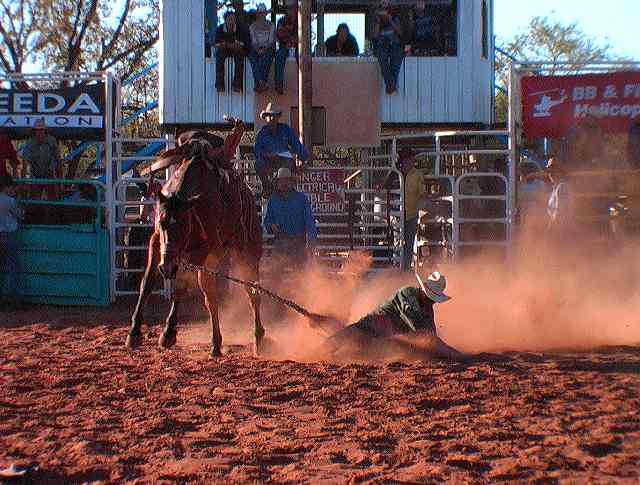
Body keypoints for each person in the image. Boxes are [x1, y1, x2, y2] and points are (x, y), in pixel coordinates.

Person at [324, 272, 464, 361]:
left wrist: (443, 349)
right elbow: (425, 335)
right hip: (368, 328)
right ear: (423, 290)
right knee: (330, 347)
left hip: (381, 340)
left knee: (349, 355)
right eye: (431, 297)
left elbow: (430, 336)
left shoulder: (426, 307)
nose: (432, 301)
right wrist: (452, 352)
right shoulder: (408, 293)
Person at [263, 167, 317, 267]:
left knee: (301, 275)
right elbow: (267, 221)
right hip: (280, 242)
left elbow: (310, 222)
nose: (284, 184)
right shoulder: (272, 200)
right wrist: (271, 226)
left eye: (287, 180)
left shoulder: (302, 199)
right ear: (277, 183)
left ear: (292, 182)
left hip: (298, 244)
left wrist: (311, 243)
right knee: (274, 274)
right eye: (281, 181)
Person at [254, 102, 309, 197]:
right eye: (269, 116)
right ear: (266, 118)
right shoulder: (262, 133)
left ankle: (285, 189)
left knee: (287, 165)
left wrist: (303, 160)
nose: (272, 118)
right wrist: (266, 154)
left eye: (274, 116)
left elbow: (297, 145)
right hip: (269, 161)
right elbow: (257, 151)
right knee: (258, 164)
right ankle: (267, 186)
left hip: (284, 161)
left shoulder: (286, 130)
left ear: (278, 117)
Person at [397, 148, 426, 270]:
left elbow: (422, 192)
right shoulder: (395, 173)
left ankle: (406, 268)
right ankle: (397, 265)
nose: (410, 161)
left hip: (411, 213)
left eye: (410, 159)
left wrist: (425, 194)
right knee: (397, 242)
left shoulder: (417, 174)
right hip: (397, 214)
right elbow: (384, 187)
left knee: (408, 243)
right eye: (407, 159)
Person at [22, 120, 61, 201]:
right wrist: (24, 182)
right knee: (35, 200)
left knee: (53, 200)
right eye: (37, 130)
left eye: (41, 130)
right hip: (35, 175)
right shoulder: (29, 143)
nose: (39, 132)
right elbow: (25, 164)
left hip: (49, 174)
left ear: (45, 131)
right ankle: (36, 211)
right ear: (34, 131)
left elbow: (58, 160)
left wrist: (60, 180)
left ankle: (52, 212)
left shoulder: (52, 141)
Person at [0, 175, 24, 306]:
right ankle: (13, 298)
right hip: (9, 235)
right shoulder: (10, 201)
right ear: (6, 187)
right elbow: (21, 215)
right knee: (13, 267)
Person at [372, 0, 405, 94]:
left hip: (395, 43)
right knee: (382, 59)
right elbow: (374, 36)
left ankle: (390, 86)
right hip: (382, 44)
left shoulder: (395, 14)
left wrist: (390, 20)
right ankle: (391, 86)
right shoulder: (376, 15)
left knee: (396, 59)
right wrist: (378, 21)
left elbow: (400, 32)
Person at [215, 11, 246, 92]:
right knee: (219, 55)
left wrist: (228, 44)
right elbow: (217, 44)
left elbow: (242, 44)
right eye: (230, 19)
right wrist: (227, 45)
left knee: (240, 54)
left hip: (235, 50)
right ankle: (219, 84)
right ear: (225, 20)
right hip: (224, 50)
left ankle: (237, 85)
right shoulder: (219, 28)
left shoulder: (240, 29)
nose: (232, 21)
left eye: (233, 19)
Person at [248, 3, 276, 93]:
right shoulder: (252, 26)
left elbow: (271, 41)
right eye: (260, 13)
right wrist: (258, 50)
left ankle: (258, 82)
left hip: (268, 49)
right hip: (256, 48)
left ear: (265, 14)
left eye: (263, 13)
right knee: (252, 57)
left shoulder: (272, 25)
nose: (261, 15)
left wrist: (264, 49)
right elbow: (254, 41)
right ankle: (262, 81)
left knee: (265, 58)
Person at [274, 0, 298, 95]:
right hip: (284, 47)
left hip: (298, 48)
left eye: (291, 7)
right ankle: (278, 83)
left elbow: (304, 37)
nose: (289, 10)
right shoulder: (281, 20)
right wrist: (289, 38)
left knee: (302, 57)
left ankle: (303, 83)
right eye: (287, 8)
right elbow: (279, 33)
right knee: (279, 55)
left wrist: (291, 39)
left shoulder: (301, 20)